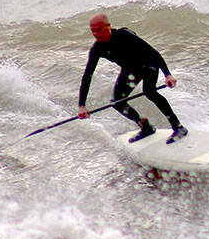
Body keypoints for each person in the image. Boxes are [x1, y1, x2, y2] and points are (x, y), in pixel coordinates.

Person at [77, 13, 188, 143]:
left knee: (150, 92)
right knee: (117, 102)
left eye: (99, 29)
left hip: (148, 64)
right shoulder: (97, 48)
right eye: (92, 30)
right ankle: (145, 126)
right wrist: (82, 105)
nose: (95, 33)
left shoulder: (124, 36)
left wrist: (167, 74)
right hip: (131, 70)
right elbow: (87, 76)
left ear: (108, 26)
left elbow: (153, 53)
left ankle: (178, 127)